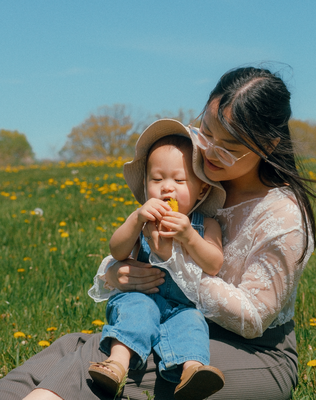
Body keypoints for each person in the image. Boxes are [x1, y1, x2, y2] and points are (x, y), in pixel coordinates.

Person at [0, 66, 316, 400]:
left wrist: (172, 266)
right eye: (206, 132)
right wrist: (118, 272)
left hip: (254, 353)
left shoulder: (283, 215)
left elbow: (253, 319)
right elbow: (142, 246)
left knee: (92, 362)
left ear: (267, 145)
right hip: (181, 323)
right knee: (69, 347)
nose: (209, 150)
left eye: (229, 145)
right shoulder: (201, 176)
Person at [88, 123, 225, 399]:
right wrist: (136, 218)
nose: (167, 189)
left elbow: (214, 263)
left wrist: (189, 236)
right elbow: (117, 250)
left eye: (179, 180)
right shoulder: (143, 219)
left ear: (201, 191)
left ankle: (193, 371)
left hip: (180, 306)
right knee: (137, 313)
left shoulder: (205, 225)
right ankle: (116, 364)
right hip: (142, 296)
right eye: (157, 179)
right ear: (145, 184)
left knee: (192, 322)